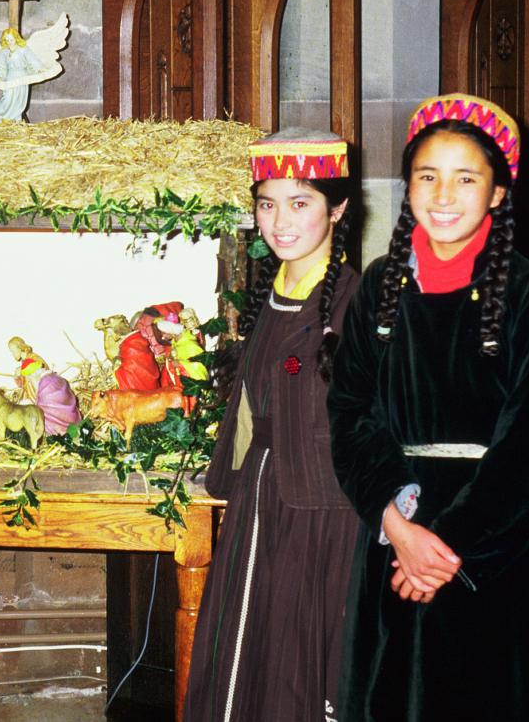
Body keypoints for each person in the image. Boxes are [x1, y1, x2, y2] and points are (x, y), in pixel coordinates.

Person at [328, 94, 529, 721]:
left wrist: (444, 548)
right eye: (427, 176)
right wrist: (395, 523)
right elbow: (351, 414)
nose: (443, 195)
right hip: (397, 529)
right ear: (408, 186)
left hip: (495, 547)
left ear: (498, 192)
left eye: (466, 178)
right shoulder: (379, 287)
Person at [184, 129, 359, 721]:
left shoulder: (357, 304)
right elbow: (248, 409)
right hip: (257, 504)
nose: (279, 222)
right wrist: (225, 483)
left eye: (300, 202)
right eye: (267, 204)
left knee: (296, 669)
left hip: (322, 517)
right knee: (244, 661)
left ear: (338, 208)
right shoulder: (269, 296)